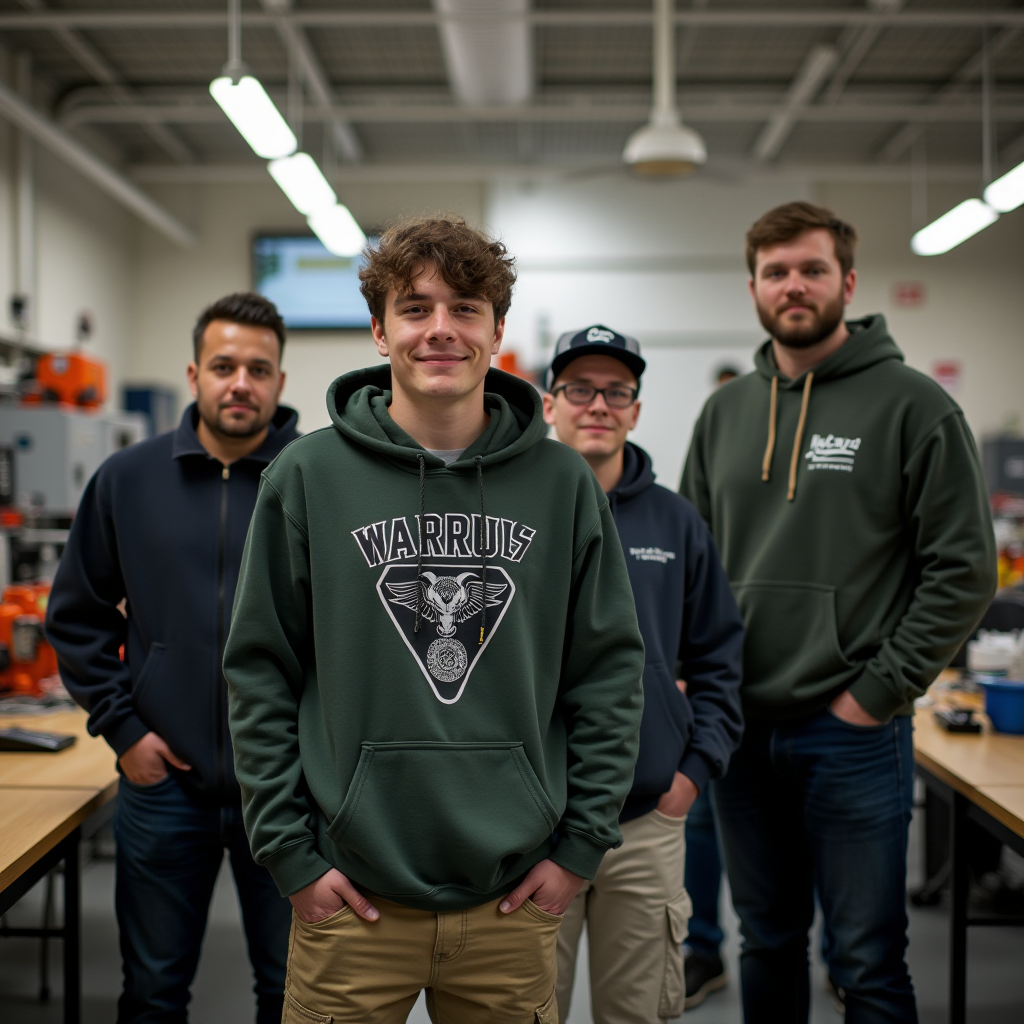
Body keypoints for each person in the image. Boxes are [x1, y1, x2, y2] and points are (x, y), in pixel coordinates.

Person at [223, 217, 646, 1023]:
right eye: (415, 309)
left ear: (497, 330)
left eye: (466, 307)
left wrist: (580, 851)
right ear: (380, 331)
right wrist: (291, 857)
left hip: (513, 902)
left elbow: (609, 673)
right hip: (350, 901)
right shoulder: (306, 477)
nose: (441, 329)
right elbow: (260, 671)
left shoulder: (563, 485)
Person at [680, 200, 997, 1024]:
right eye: (776, 270)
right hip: (742, 731)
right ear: (752, 285)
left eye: (812, 269)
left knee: (866, 961)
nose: (794, 285)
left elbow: (963, 571)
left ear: (847, 282)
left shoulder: (915, 407)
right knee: (768, 942)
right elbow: (693, 566)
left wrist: (877, 692)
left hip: (852, 730)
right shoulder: (724, 414)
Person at [45, 293, 300, 1023]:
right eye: (224, 366)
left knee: (292, 995)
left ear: (281, 382)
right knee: (153, 996)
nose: (240, 383)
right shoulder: (127, 480)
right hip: (165, 792)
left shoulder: (317, 481)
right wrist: (125, 732)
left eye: (258, 368)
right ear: (195, 373)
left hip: (283, 792)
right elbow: (77, 617)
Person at [542, 325, 744, 1024]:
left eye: (616, 391)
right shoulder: (512, 511)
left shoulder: (677, 521)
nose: (598, 403)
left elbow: (720, 654)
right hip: (534, 822)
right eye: (579, 388)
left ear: (635, 407)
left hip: (647, 821)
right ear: (550, 404)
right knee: (523, 1011)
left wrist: (692, 772)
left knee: (639, 1014)